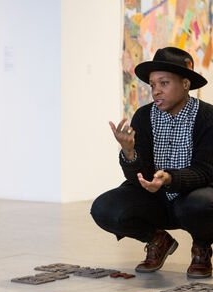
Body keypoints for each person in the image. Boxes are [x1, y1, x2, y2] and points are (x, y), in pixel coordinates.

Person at [91, 47, 213, 278]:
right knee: (104, 208)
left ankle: (202, 246)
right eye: (152, 85)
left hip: (191, 198)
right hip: (155, 199)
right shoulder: (144, 116)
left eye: (164, 83)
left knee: (203, 204)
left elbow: (206, 171)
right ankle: (158, 240)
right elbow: (137, 176)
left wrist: (169, 178)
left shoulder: (208, 117)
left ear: (186, 84)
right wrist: (129, 152)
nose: (156, 91)